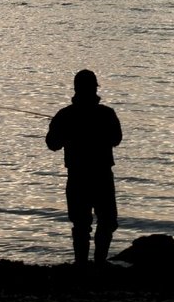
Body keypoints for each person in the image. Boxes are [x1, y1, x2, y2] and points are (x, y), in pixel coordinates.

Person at [46, 69, 123, 266]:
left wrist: (65, 132)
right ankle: (99, 262)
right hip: (101, 175)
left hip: (78, 176)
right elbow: (116, 139)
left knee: (82, 223)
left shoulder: (65, 115)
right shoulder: (106, 114)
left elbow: (52, 144)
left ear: (76, 89)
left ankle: (82, 264)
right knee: (106, 221)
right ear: (94, 89)